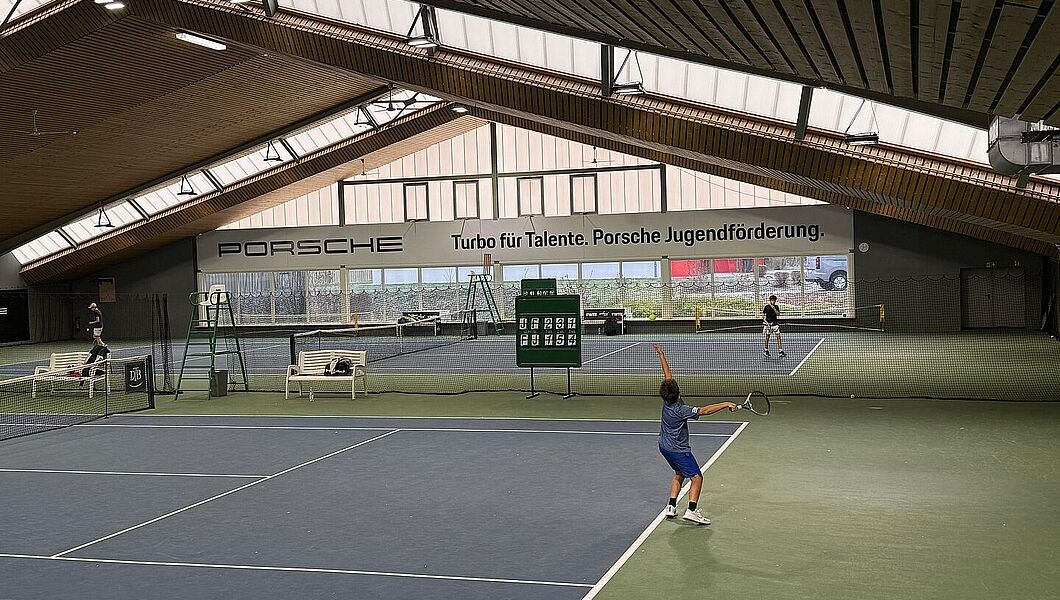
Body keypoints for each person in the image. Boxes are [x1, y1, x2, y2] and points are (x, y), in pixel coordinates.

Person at [652, 343, 738, 525]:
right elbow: (704, 411)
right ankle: (691, 511)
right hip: (678, 449)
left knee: (679, 473)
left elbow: (668, 376)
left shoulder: (667, 402)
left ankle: (671, 506)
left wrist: (661, 354)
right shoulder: (682, 410)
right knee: (697, 477)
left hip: (663, 446)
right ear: (678, 393)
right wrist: (726, 403)